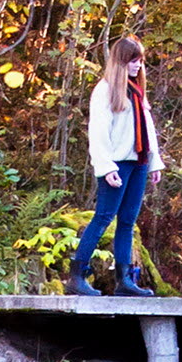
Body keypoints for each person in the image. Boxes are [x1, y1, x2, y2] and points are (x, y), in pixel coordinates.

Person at [66, 37, 161, 295]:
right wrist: (106, 167)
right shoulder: (105, 90)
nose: (138, 66)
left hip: (138, 162)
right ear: (121, 61)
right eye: (133, 60)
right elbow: (98, 133)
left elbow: (147, 130)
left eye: (141, 61)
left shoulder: (138, 92)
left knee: (128, 221)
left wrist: (154, 163)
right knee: (103, 217)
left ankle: (125, 280)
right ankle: (76, 276)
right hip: (116, 164)